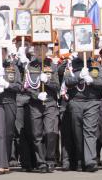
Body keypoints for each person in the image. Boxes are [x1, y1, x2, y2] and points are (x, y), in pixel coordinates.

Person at [20, 44, 60, 173]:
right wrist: (37, 95)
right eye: (36, 49)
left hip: (50, 103)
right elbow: (25, 87)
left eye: (41, 48)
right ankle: (41, 162)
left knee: (50, 132)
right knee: (37, 135)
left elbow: (57, 86)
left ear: (46, 50)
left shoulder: (52, 65)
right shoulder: (29, 66)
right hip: (35, 104)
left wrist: (47, 81)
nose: (38, 51)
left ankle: (50, 159)